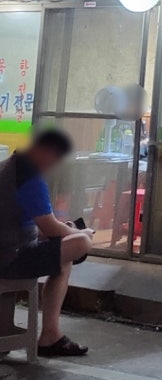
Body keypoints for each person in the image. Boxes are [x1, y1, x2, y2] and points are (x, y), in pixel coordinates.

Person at [0, 129, 94, 356]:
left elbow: (33, 223)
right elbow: (51, 228)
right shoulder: (29, 178)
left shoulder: (9, 166)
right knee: (79, 244)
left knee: (61, 257)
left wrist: (60, 231)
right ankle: (50, 335)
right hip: (10, 258)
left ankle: (49, 334)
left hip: (9, 248)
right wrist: (81, 232)